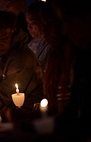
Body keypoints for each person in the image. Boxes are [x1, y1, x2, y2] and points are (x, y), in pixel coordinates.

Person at [48, 0, 91, 141]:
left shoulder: (73, 58)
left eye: (68, 21)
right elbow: (69, 115)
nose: (65, 31)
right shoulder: (82, 59)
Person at [0, 10, 43, 112]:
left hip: (25, 116)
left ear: (14, 31)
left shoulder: (21, 58)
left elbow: (1, 98)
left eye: (3, 38)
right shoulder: (3, 55)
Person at [26, 1, 51, 69]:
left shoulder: (50, 46)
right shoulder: (30, 45)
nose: (28, 27)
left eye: (32, 23)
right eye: (27, 23)